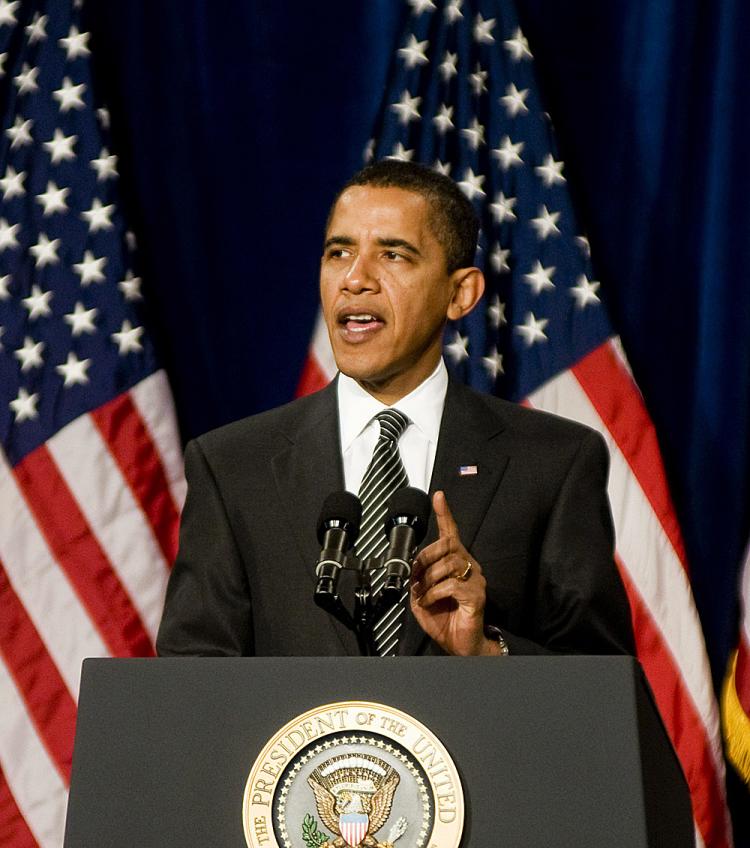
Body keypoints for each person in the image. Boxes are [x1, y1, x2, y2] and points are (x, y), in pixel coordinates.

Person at [157, 160, 634, 658]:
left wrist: (486, 651)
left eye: (394, 255)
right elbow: (193, 680)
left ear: (460, 293)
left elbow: (600, 692)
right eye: (339, 252)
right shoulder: (234, 465)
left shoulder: (553, 461)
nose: (355, 278)